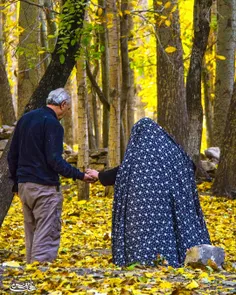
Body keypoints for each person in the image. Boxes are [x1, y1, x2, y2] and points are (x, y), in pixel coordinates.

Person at [87, 117, 211, 267]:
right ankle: (170, 258)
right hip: (167, 205)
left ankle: (143, 259)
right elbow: (189, 165)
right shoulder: (171, 152)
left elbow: (123, 171)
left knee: (144, 233)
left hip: (142, 211)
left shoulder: (138, 158)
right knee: (165, 230)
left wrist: (100, 176)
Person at [7, 88, 94, 264]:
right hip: (44, 188)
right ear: (62, 105)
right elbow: (54, 160)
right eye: (68, 109)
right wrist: (80, 176)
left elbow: (11, 155)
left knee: (32, 232)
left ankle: (29, 279)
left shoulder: (25, 119)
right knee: (46, 234)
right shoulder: (53, 124)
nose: (67, 113)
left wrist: (17, 183)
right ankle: (40, 275)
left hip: (25, 187)